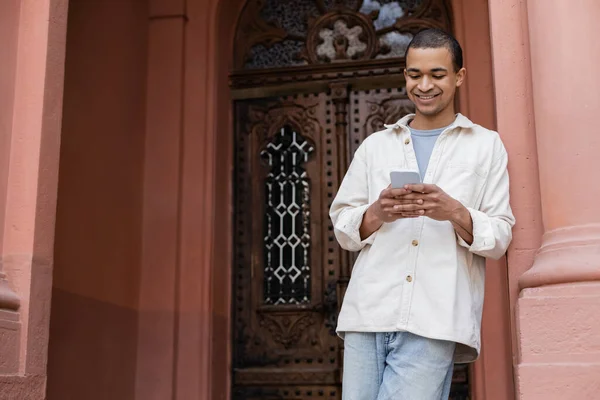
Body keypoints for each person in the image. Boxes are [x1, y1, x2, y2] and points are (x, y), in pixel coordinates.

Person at [329, 28, 515, 400]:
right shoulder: (375, 146)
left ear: (459, 77)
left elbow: (500, 236)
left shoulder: (486, 145)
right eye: (415, 75)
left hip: (436, 318)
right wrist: (377, 212)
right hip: (367, 312)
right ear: (405, 76)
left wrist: (455, 212)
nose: (424, 85)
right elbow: (343, 227)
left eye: (437, 74)